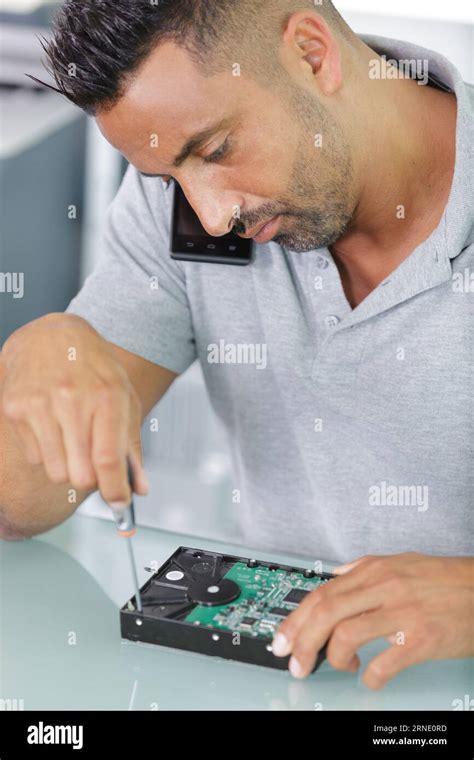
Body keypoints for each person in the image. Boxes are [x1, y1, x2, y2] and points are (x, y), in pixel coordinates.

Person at [1, 0, 472, 686]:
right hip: (288, 683)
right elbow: (21, 503)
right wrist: (31, 360)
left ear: (313, 54)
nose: (214, 215)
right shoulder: (181, 207)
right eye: (170, 178)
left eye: (217, 150)